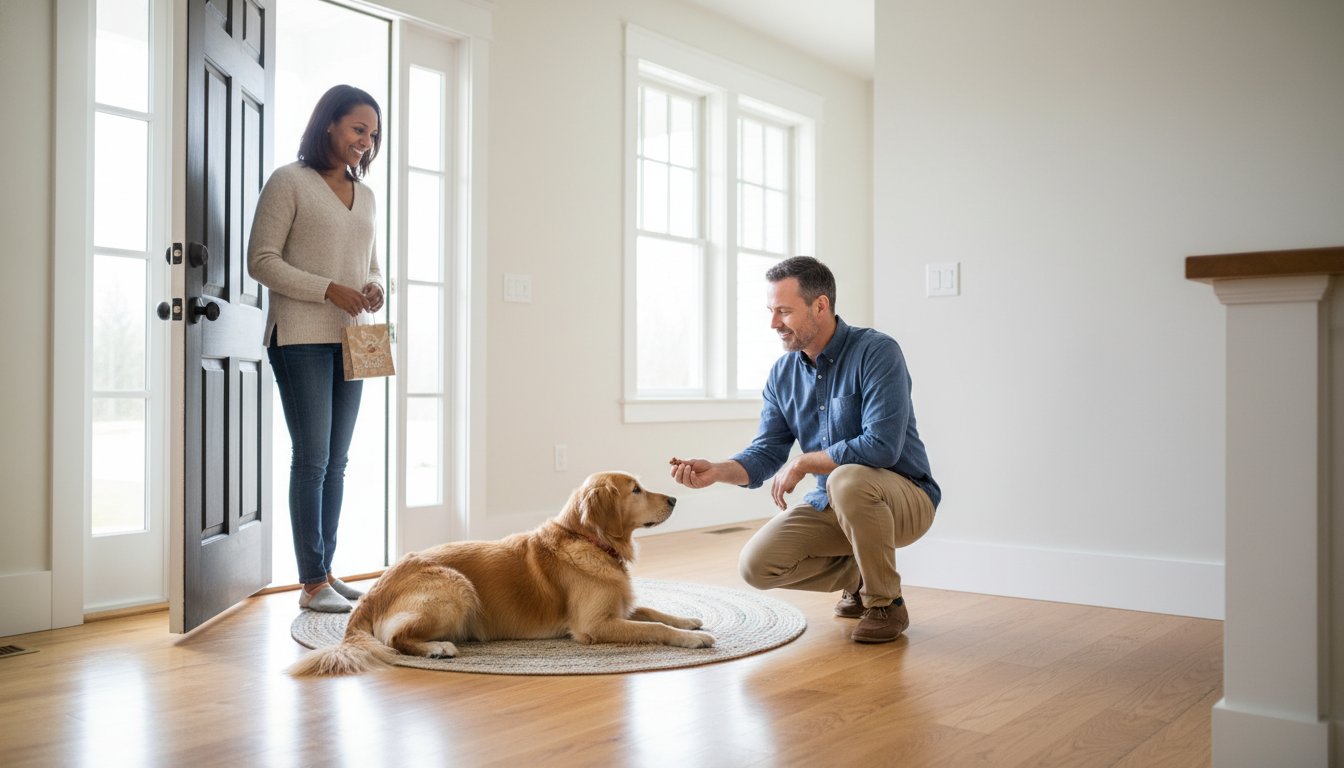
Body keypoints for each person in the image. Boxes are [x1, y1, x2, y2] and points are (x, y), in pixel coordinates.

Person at [669, 256, 940, 643]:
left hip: (906, 498)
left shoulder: (877, 352)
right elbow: (766, 452)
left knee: (847, 479)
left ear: (820, 306)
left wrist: (806, 461)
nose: (774, 323)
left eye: (783, 311)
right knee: (757, 566)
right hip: (834, 500)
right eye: (771, 311)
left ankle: (886, 604)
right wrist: (718, 471)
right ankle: (860, 575)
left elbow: (881, 446)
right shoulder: (783, 374)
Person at [247, 85, 385, 613]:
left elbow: (372, 264)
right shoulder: (289, 182)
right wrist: (329, 288)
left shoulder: (366, 195)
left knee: (339, 461)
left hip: (355, 338)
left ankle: (325, 570)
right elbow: (261, 261)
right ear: (329, 123)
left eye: (373, 135)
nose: (366, 142)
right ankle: (310, 585)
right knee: (312, 459)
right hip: (301, 335)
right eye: (358, 129)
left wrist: (375, 288)